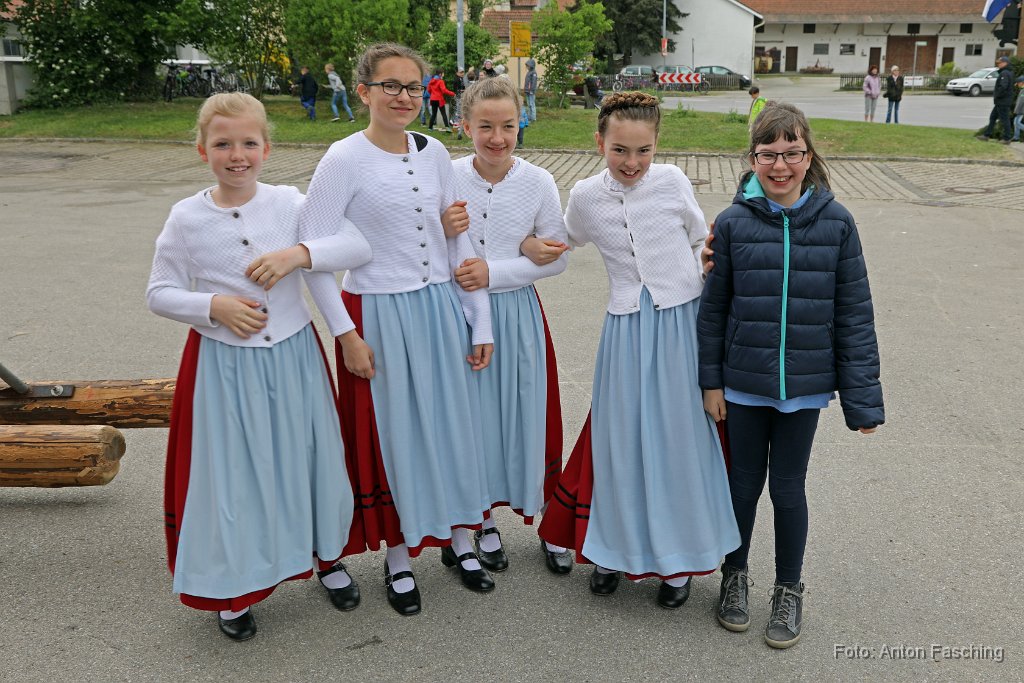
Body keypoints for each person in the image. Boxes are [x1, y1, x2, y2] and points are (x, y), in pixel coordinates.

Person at [147, 92, 372, 641]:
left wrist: (298, 255)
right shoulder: (187, 217)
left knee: (310, 458)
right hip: (226, 366)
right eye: (223, 144)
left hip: (296, 354)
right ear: (203, 150)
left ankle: (327, 556)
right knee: (234, 477)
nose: (237, 154)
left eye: (248, 142)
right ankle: (232, 587)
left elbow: (356, 245)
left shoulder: (292, 204)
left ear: (266, 147)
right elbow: (159, 292)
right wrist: (212, 307)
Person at [297, 42, 496, 617]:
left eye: (414, 86)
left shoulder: (435, 151)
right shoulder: (342, 159)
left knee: (452, 427)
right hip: (377, 313)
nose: (404, 96)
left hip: (437, 307)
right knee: (396, 439)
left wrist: (477, 318)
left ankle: (460, 541)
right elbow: (314, 256)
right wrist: (345, 335)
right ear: (363, 92)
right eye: (391, 86)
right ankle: (400, 556)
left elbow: (458, 239)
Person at [534, 92, 740, 610]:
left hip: (681, 326)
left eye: (643, 150)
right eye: (620, 150)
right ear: (600, 142)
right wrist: (523, 246)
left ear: (657, 146)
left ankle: (679, 563)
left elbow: (700, 238)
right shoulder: (583, 196)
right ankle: (612, 554)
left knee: (680, 442)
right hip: (625, 329)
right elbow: (560, 241)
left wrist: (708, 263)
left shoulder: (671, 182)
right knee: (619, 442)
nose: (631, 163)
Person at [697, 102, 884, 649]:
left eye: (792, 153)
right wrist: (711, 382)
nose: (780, 166)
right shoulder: (732, 224)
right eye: (768, 154)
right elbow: (713, 311)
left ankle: (788, 588)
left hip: (803, 388)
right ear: (752, 158)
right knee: (741, 487)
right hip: (742, 383)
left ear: (809, 156)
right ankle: (733, 577)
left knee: (788, 489)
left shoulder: (837, 223)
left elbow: (854, 314)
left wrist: (863, 403)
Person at [443, 76, 572, 575]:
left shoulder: (537, 181)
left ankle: (538, 515)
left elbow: (556, 258)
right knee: (472, 421)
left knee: (522, 415)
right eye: (485, 127)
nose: (497, 138)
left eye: (508, 126)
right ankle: (482, 520)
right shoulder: (448, 177)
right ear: (465, 126)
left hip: (517, 312)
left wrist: (499, 266)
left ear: (522, 124)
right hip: (459, 314)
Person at [978, 56, 1015, 144]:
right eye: (998, 63)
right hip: (1001, 101)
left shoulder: (1005, 73)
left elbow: (1003, 87)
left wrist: (997, 96)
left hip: (1003, 101)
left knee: (1005, 119)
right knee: (993, 117)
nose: (998, 64)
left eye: (1000, 63)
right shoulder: (1007, 72)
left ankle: (1006, 139)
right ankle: (986, 135)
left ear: (1005, 63)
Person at [451, 67, 467, 140]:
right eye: (461, 72)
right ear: (457, 73)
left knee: (460, 112)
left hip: (461, 96)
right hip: (458, 96)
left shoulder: (461, 79)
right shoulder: (456, 79)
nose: (462, 74)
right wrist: (458, 92)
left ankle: (459, 128)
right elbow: (455, 88)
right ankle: (455, 126)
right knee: (458, 112)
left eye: (463, 72)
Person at [1012, 76, 1024, 143]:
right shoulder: (1022, 89)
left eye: (1018, 83)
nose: (1017, 85)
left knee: (1017, 123)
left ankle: (1016, 137)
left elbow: (1021, 102)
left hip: (1021, 110)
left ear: (1022, 83)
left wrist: (1016, 110)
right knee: (1015, 122)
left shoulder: (1023, 90)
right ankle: (1016, 137)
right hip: (1021, 109)